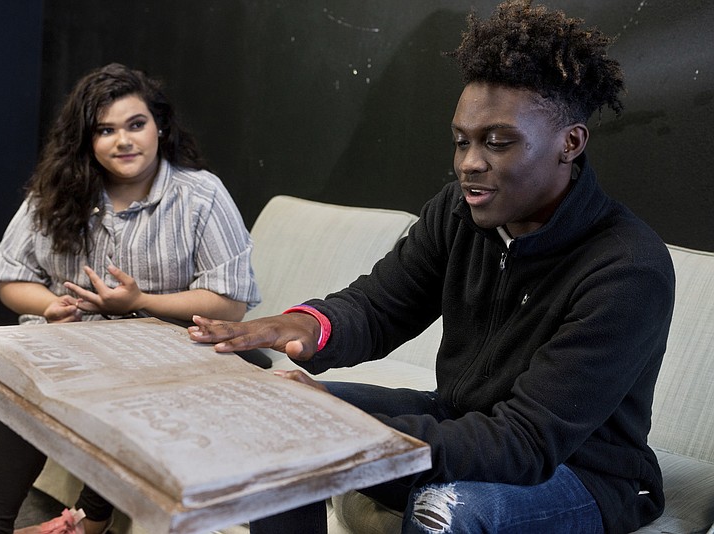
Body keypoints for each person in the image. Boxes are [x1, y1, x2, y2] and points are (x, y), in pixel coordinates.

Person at [189, 2, 675, 533]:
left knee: (442, 509)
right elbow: (379, 307)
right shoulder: (458, 211)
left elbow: (526, 443)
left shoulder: (627, 269)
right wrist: (306, 326)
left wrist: (348, 427)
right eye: (462, 141)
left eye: (498, 142)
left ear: (570, 143)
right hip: (467, 422)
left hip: (581, 472)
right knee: (279, 418)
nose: (469, 161)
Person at [0, 63, 260, 534]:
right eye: (106, 130)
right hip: (71, 349)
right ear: (87, 139)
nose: (123, 141)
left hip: (167, 355)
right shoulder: (54, 191)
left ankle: (91, 518)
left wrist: (140, 301)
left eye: (135, 124)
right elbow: (10, 279)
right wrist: (48, 306)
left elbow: (231, 305)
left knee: (126, 384)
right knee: (13, 383)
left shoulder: (201, 195)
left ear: (159, 126)